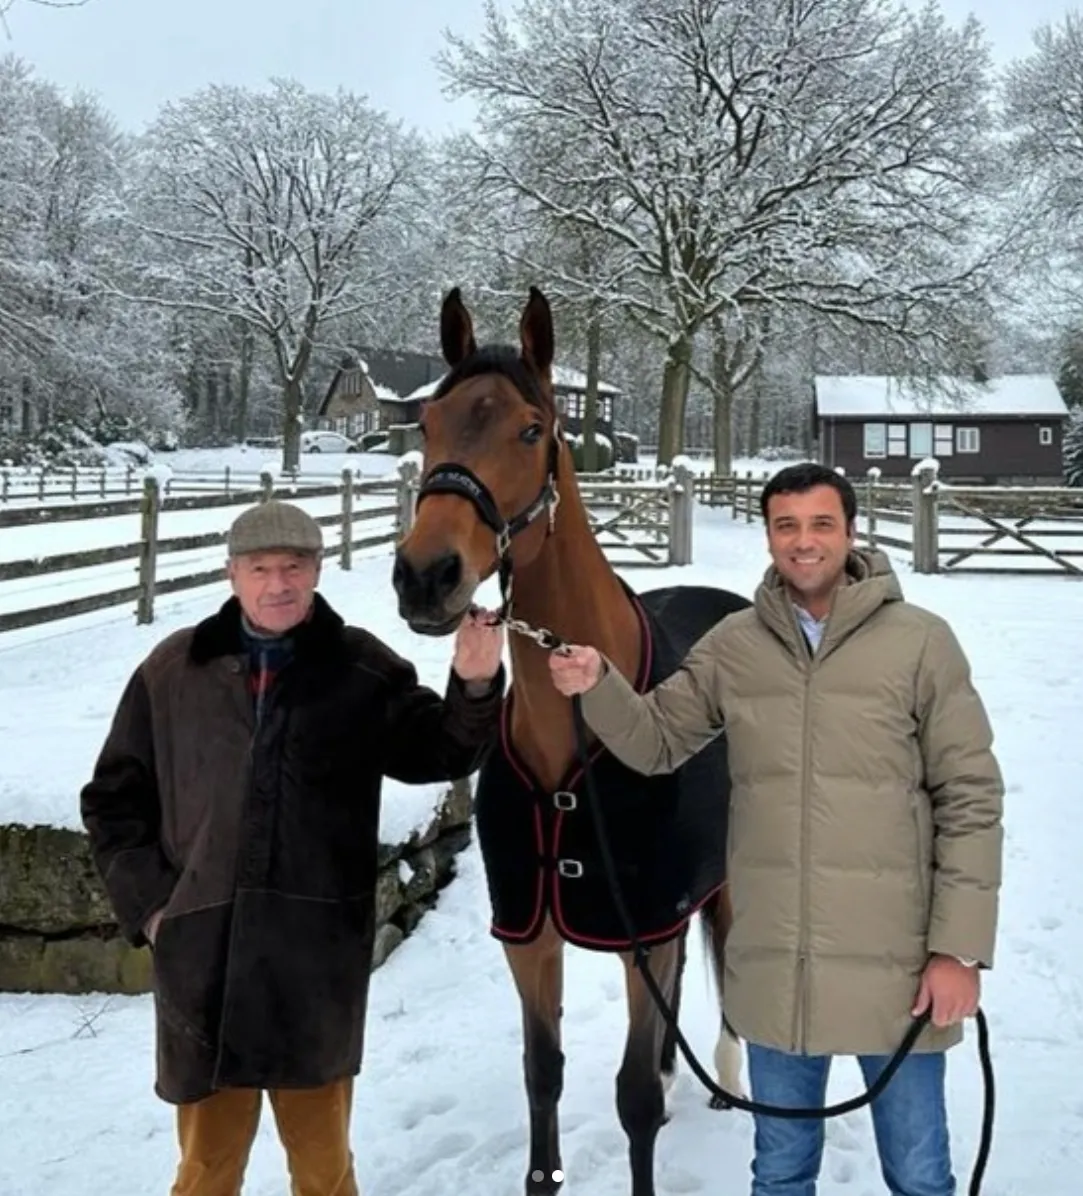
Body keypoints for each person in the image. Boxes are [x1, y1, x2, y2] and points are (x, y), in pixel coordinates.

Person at [548, 461, 1003, 1196]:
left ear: (850, 532)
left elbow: (970, 797)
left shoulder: (921, 642)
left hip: (896, 971)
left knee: (919, 1175)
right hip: (774, 968)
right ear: (766, 536)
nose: (803, 542)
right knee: (781, 1173)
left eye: (820, 523)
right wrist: (599, 683)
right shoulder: (734, 645)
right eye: (785, 525)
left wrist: (958, 950)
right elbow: (658, 739)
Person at [80, 498, 506, 1196]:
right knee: (205, 1171)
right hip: (204, 956)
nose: (277, 584)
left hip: (312, 963)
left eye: (294, 567)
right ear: (232, 575)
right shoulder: (173, 670)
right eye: (260, 568)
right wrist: (156, 908)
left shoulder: (359, 668)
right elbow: (113, 800)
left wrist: (476, 682)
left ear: (316, 571)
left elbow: (441, 750)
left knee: (323, 1170)